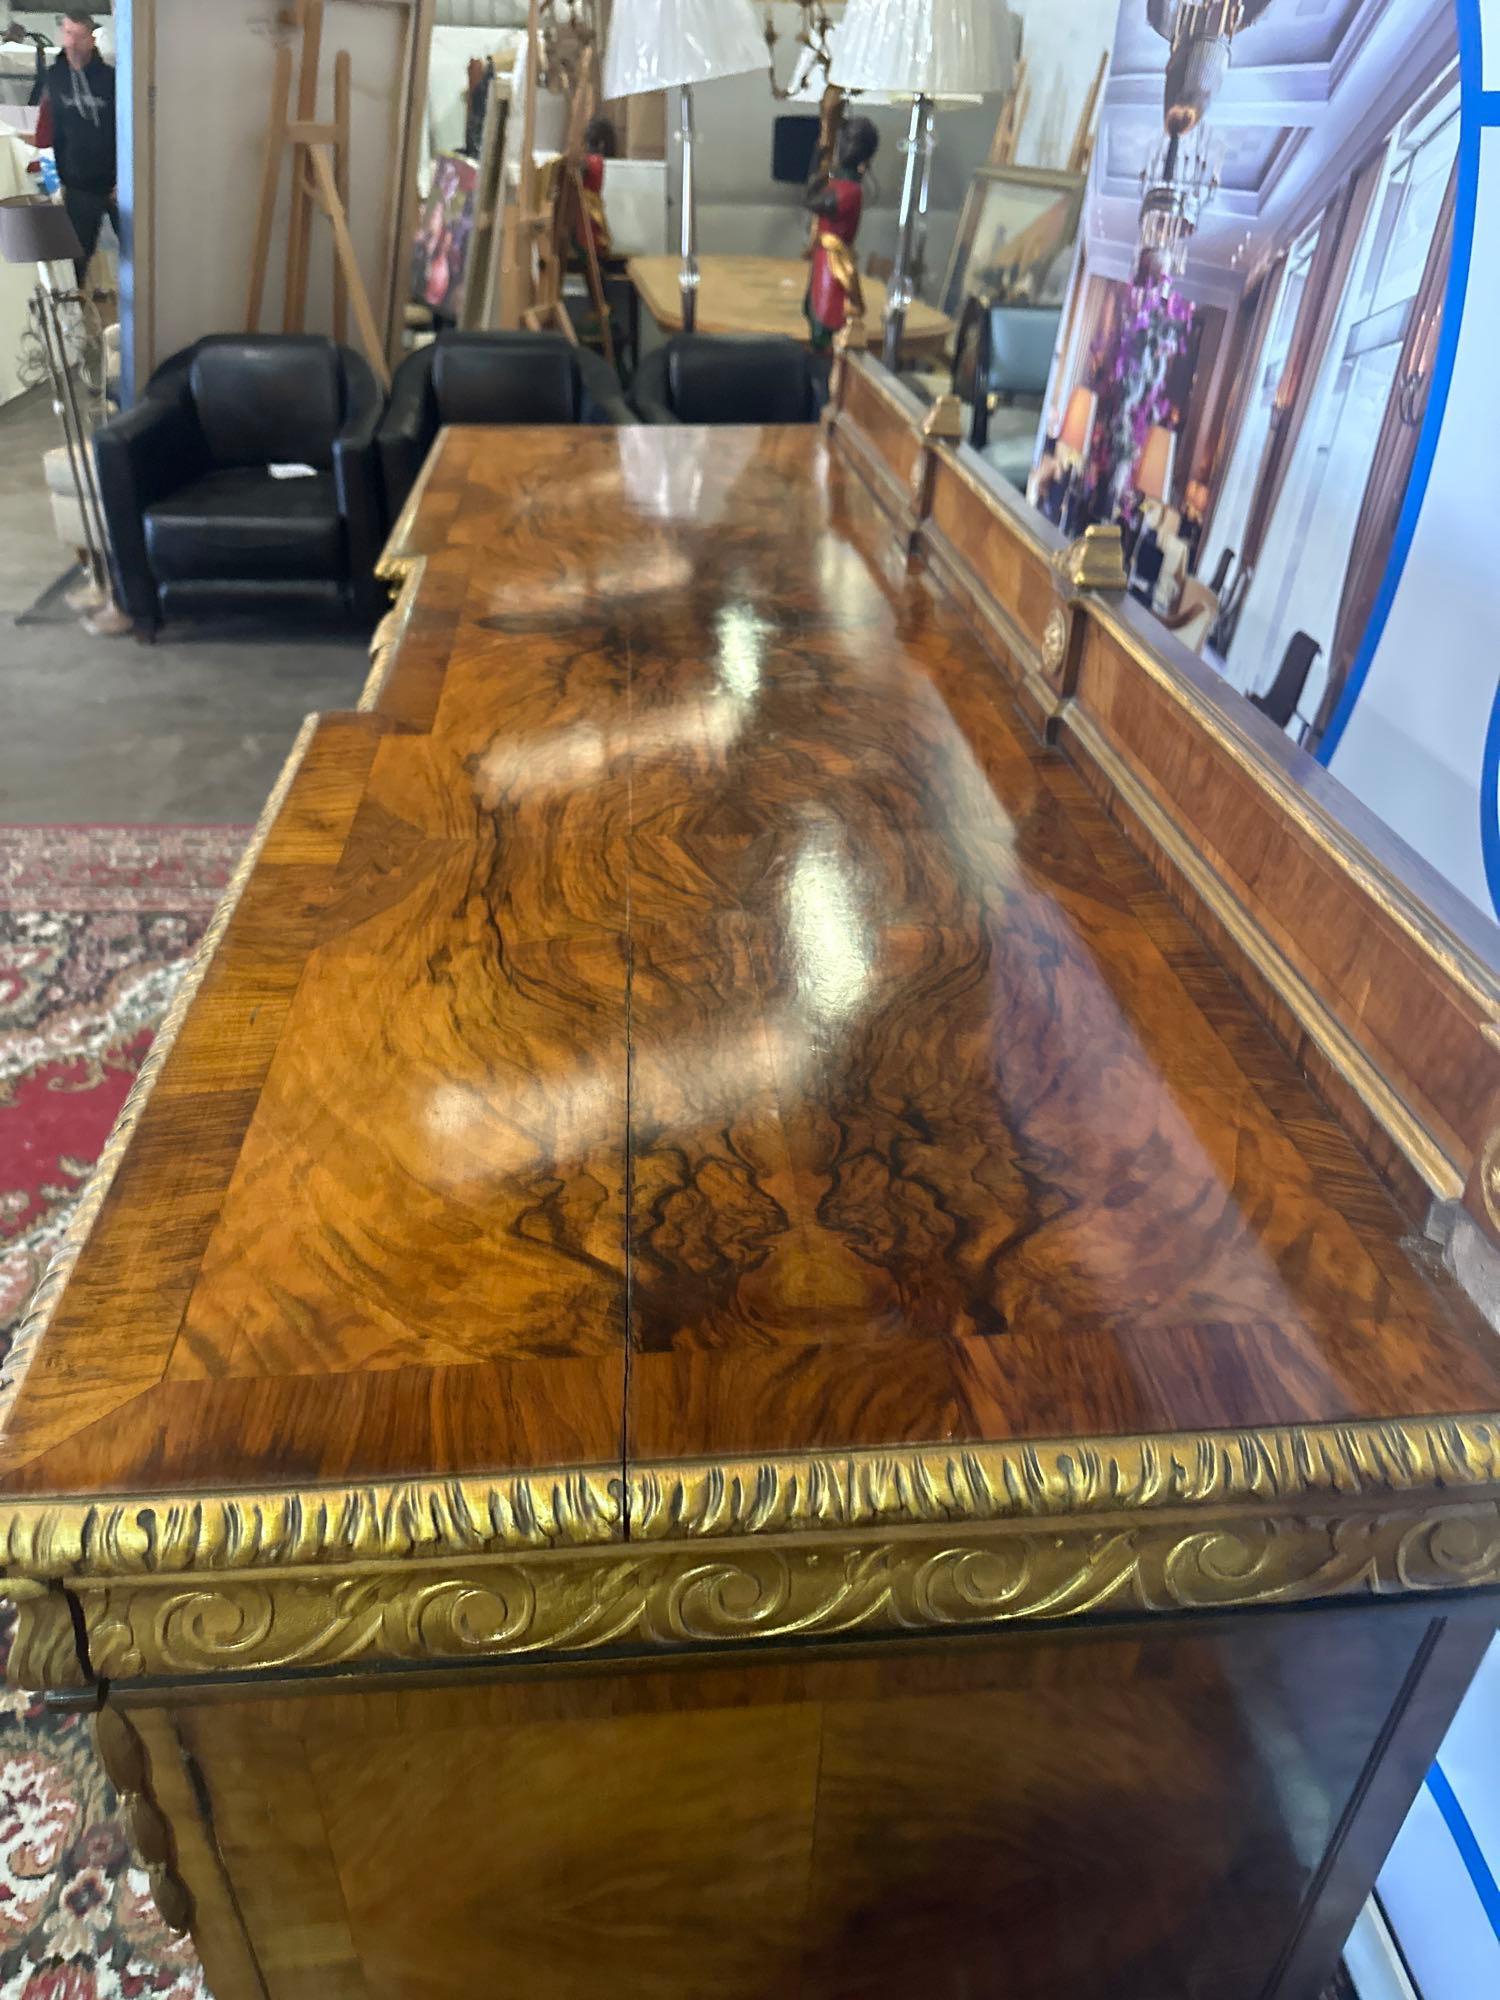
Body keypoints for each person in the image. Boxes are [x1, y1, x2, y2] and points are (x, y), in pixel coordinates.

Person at [44, 9, 117, 288]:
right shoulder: (55, 76)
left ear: (91, 40)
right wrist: (61, 178)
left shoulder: (111, 78)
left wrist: (123, 177)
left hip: (117, 183)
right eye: (68, 33)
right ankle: (77, 315)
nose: (72, 42)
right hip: (77, 185)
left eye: (79, 35)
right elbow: (55, 130)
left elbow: (124, 128)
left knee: (139, 252)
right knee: (77, 256)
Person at [803, 114, 878, 351]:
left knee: (827, 314)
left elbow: (812, 201)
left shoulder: (849, 192)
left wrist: (818, 161)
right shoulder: (838, 185)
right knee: (816, 309)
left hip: (834, 262)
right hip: (825, 259)